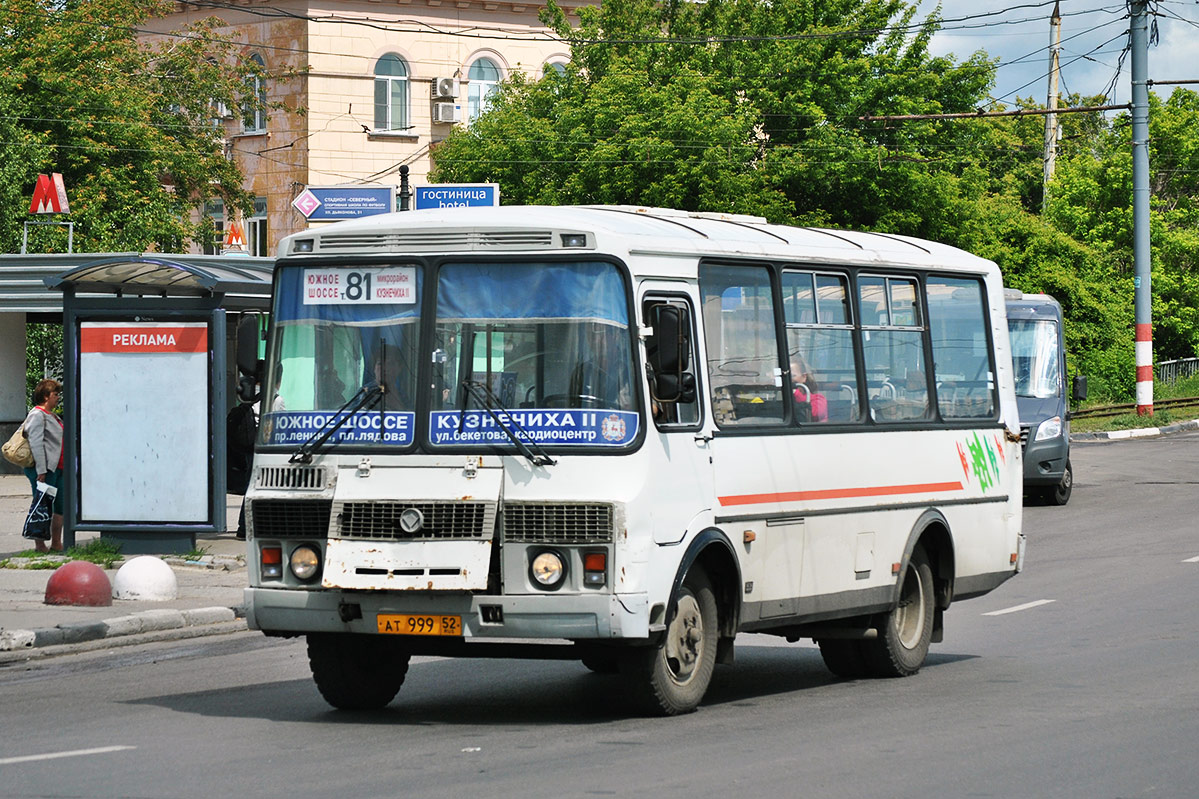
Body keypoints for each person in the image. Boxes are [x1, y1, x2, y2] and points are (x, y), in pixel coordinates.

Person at [23, 379, 64, 552]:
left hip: (58, 467)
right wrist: (41, 470)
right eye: (55, 395)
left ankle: (56, 543)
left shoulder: (52, 415)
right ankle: (40, 545)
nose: (58, 398)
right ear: (46, 396)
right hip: (44, 470)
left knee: (60, 505)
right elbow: (36, 443)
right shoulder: (37, 414)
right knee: (43, 505)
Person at [790, 358, 828, 423]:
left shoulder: (818, 399)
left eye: (792, 376)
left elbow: (814, 413)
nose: (789, 379)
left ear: (804, 377)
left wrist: (795, 393)